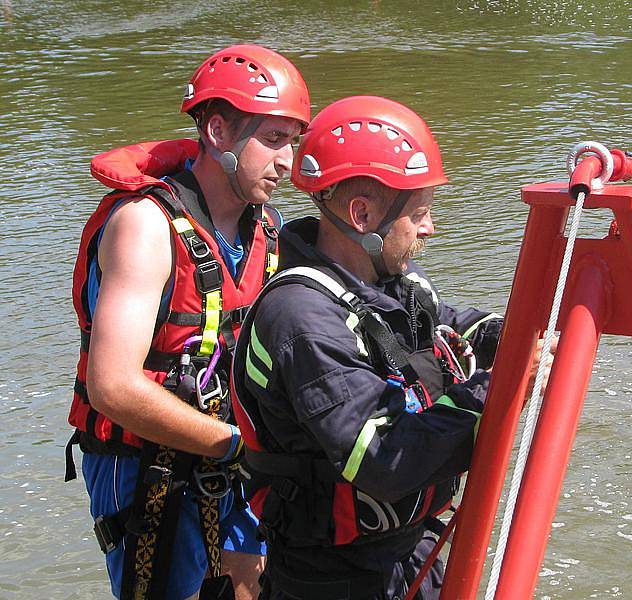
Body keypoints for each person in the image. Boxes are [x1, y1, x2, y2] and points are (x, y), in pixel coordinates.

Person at [231, 95, 510, 599]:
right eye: (420, 212)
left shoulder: (391, 279)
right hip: (334, 578)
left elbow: (443, 328)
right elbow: (384, 458)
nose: (430, 227)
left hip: (406, 552)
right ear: (362, 215)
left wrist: (507, 337)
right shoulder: (301, 319)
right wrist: (500, 389)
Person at [65, 44, 310, 600]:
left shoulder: (267, 228)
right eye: (273, 139)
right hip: (149, 468)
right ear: (218, 132)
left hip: (234, 461)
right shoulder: (144, 227)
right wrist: (234, 445)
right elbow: (112, 387)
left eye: (293, 141)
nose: (287, 161)